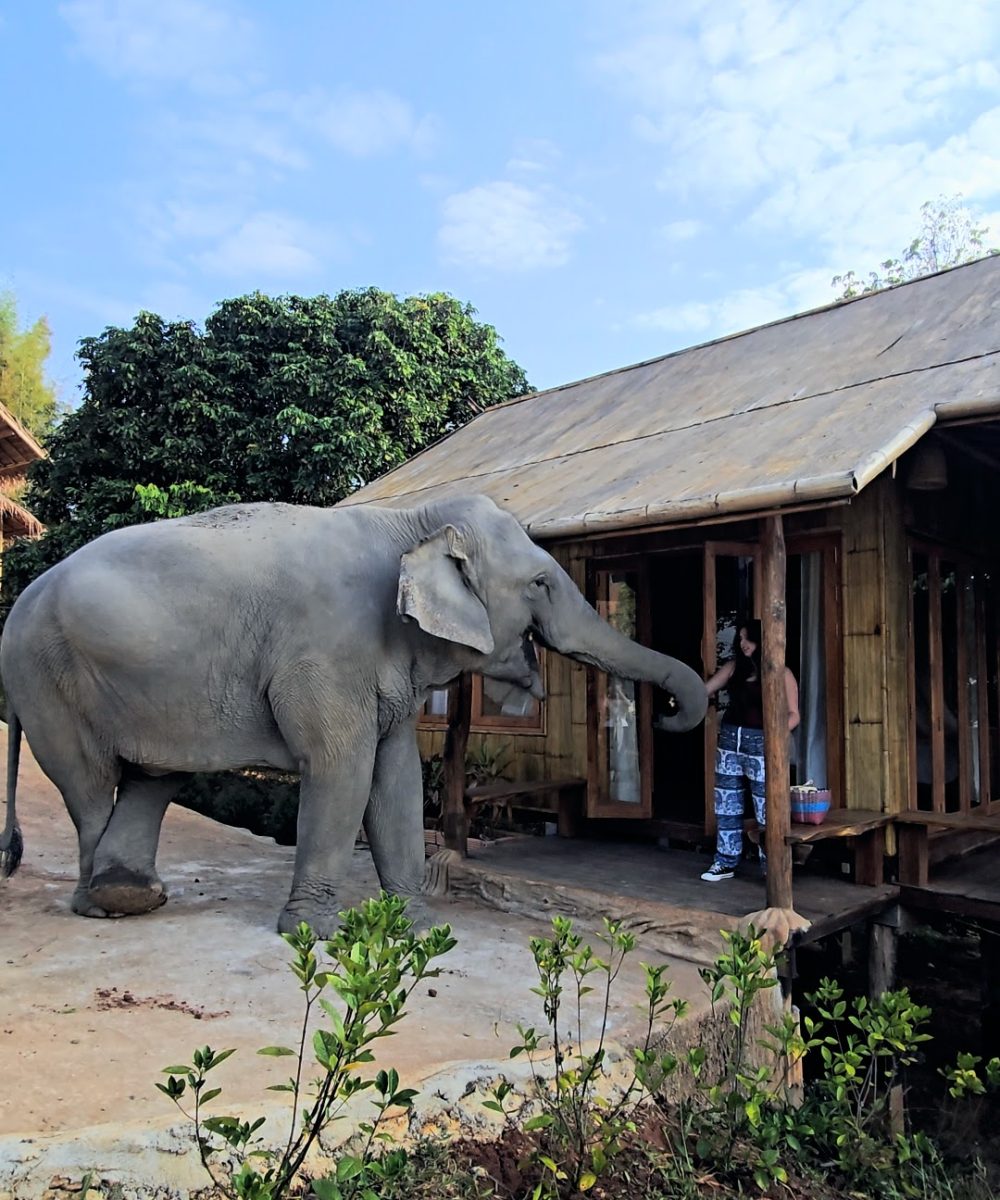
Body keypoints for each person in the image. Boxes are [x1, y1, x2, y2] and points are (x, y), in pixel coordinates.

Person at [700, 619, 800, 882]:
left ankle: (773, 868)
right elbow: (705, 690)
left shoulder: (782, 672)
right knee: (727, 804)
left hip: (762, 743)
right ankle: (725, 862)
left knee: (767, 806)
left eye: (749, 639)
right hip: (730, 741)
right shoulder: (734, 668)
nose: (744, 644)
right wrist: (679, 691)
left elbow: (794, 715)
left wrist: (775, 738)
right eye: (740, 639)